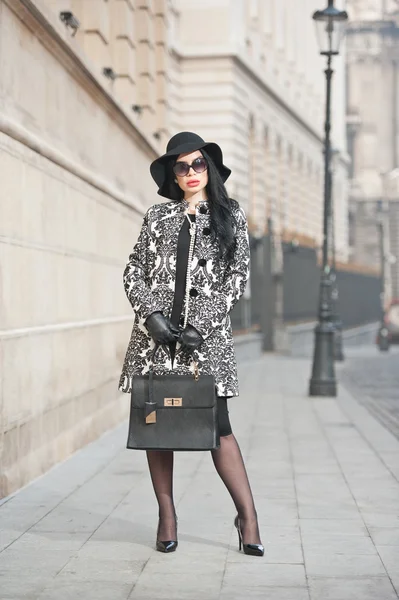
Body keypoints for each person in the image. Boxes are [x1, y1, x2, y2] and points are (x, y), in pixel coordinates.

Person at [119, 132, 264, 557]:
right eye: (181, 167)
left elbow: (237, 276)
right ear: (173, 174)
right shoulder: (156, 217)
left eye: (198, 164)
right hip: (155, 342)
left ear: (210, 168)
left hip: (206, 343)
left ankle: (247, 516)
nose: (191, 173)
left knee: (219, 427)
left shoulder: (230, 215)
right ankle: (167, 516)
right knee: (156, 426)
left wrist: (201, 322)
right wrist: (151, 316)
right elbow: (133, 269)